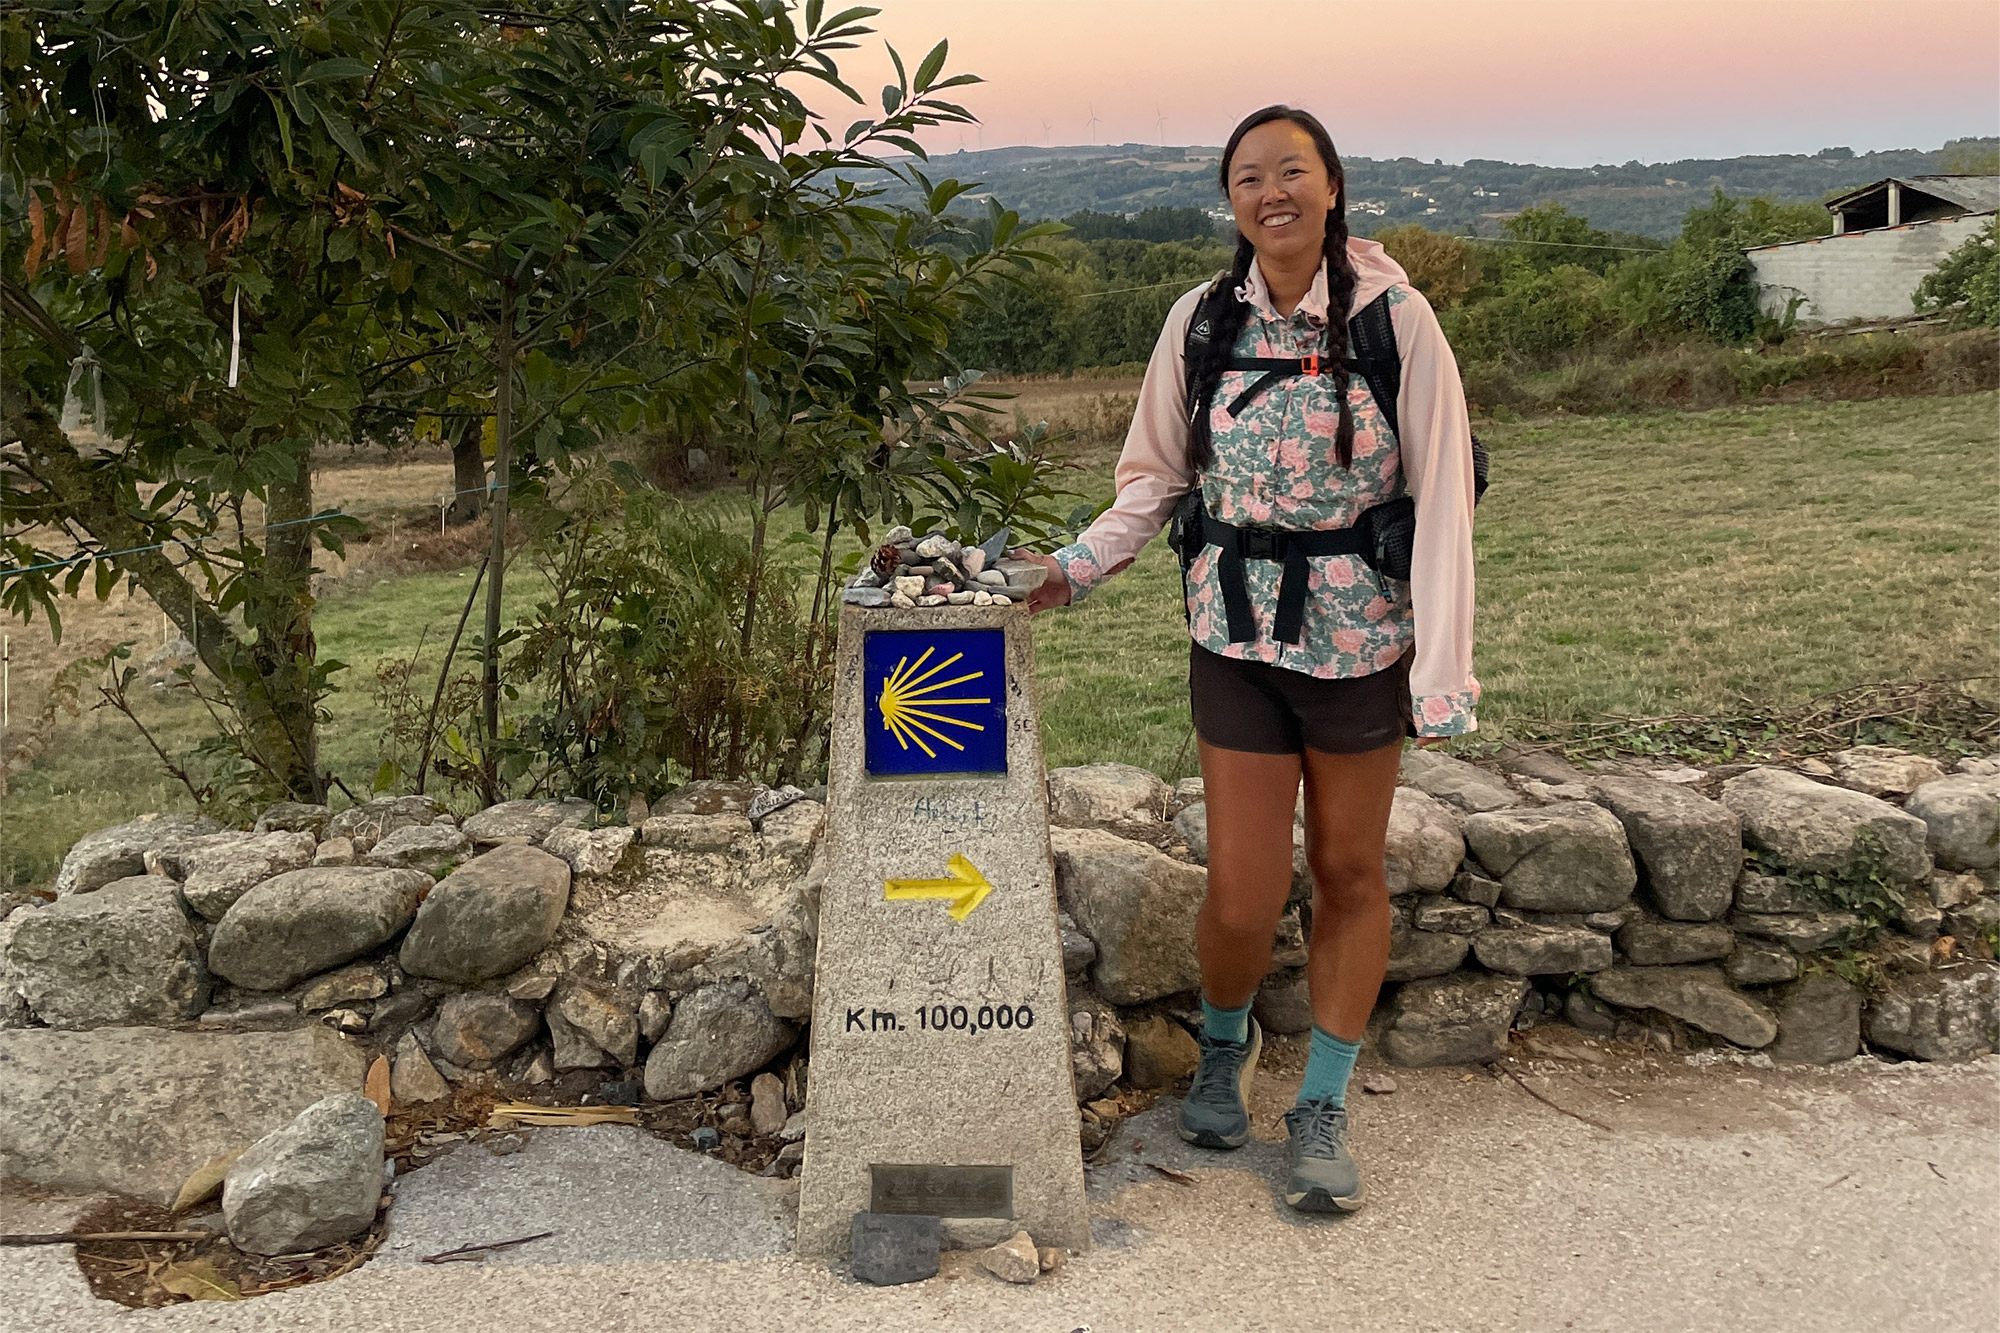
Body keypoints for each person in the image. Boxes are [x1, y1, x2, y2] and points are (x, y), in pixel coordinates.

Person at [1015, 105, 1479, 1213]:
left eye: (1291, 171)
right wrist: (1069, 569)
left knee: (1350, 873)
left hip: (1360, 640)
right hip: (1235, 636)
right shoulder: (1198, 322)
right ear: (1230, 202)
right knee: (1238, 889)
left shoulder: (1394, 321)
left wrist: (1439, 674)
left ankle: (1320, 1101)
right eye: (1246, 177)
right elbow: (1153, 477)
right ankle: (1223, 1048)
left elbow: (1444, 499)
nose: (1270, 191)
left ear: (1330, 188)